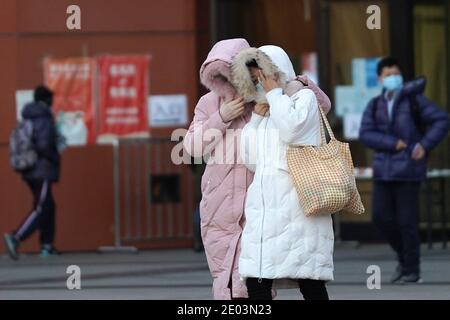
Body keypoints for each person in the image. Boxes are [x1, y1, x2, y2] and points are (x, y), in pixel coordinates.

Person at [233, 45, 334, 300]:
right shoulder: (266, 108)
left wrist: (276, 94)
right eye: (254, 78)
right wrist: (255, 119)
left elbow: (292, 130)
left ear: (277, 72)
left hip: (297, 208)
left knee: (310, 283)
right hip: (264, 212)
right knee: (257, 284)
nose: (259, 82)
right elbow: (251, 160)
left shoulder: (304, 98)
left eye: (263, 75)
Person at [359, 57, 450, 283]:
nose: (393, 78)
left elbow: (441, 120)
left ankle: (412, 270)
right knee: (381, 218)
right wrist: (392, 143)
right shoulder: (375, 104)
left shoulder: (414, 100)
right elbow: (365, 134)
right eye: (388, 75)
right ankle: (403, 257)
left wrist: (423, 145)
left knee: (407, 222)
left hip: (409, 169)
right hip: (383, 171)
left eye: (396, 74)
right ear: (380, 78)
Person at [183, 38, 254, 300]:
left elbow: (320, 107)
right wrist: (221, 117)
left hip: (256, 199)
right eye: (221, 77)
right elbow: (192, 147)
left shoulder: (261, 101)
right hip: (218, 202)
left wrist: (299, 84)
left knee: (254, 279)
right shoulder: (208, 104)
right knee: (223, 276)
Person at [4, 85, 61, 260]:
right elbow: (44, 145)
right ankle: (16, 237)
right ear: (46, 100)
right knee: (41, 207)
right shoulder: (43, 119)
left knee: (49, 206)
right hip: (41, 169)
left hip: (30, 168)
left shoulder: (29, 117)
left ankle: (47, 245)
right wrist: (54, 157)